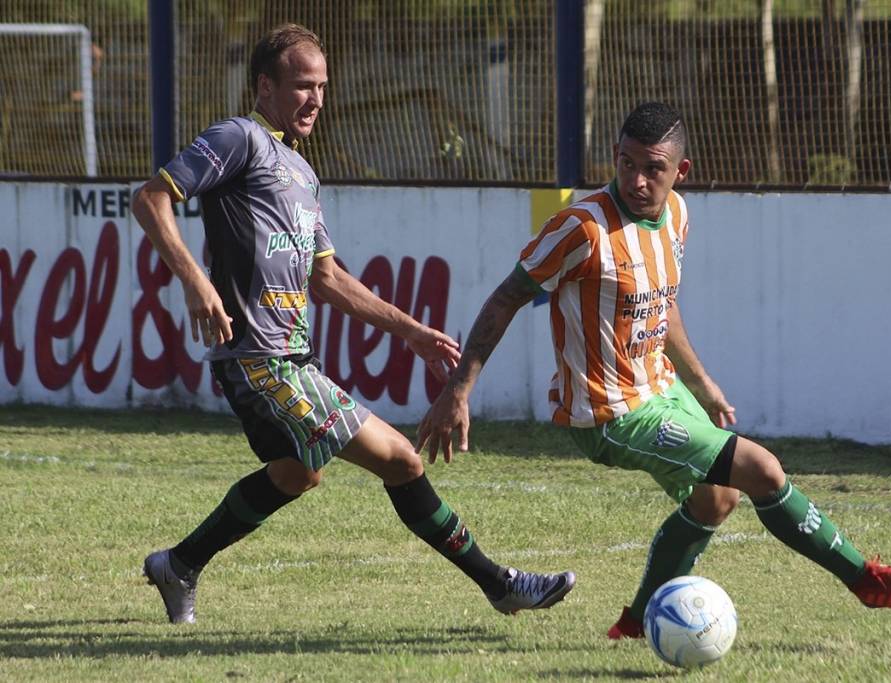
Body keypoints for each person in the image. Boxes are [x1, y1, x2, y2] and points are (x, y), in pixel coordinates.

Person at [417, 101, 891, 640]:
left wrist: (700, 382)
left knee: (717, 498)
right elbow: (505, 298)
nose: (637, 181)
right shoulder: (581, 228)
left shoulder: (678, 216)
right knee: (763, 469)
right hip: (610, 413)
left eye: (653, 169)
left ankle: (637, 622)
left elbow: (661, 306)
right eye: (627, 164)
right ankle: (866, 580)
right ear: (615, 157)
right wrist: (459, 390)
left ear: (680, 171)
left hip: (662, 390)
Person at [131, 23, 574, 624]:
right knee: (402, 460)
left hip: (290, 360)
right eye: (301, 86)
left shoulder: (303, 173)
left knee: (296, 474)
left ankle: (179, 564)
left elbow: (328, 279)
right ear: (264, 87)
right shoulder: (239, 138)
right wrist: (195, 279)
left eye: (322, 86)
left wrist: (411, 331)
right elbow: (151, 198)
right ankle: (500, 584)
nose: (315, 99)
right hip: (261, 359)